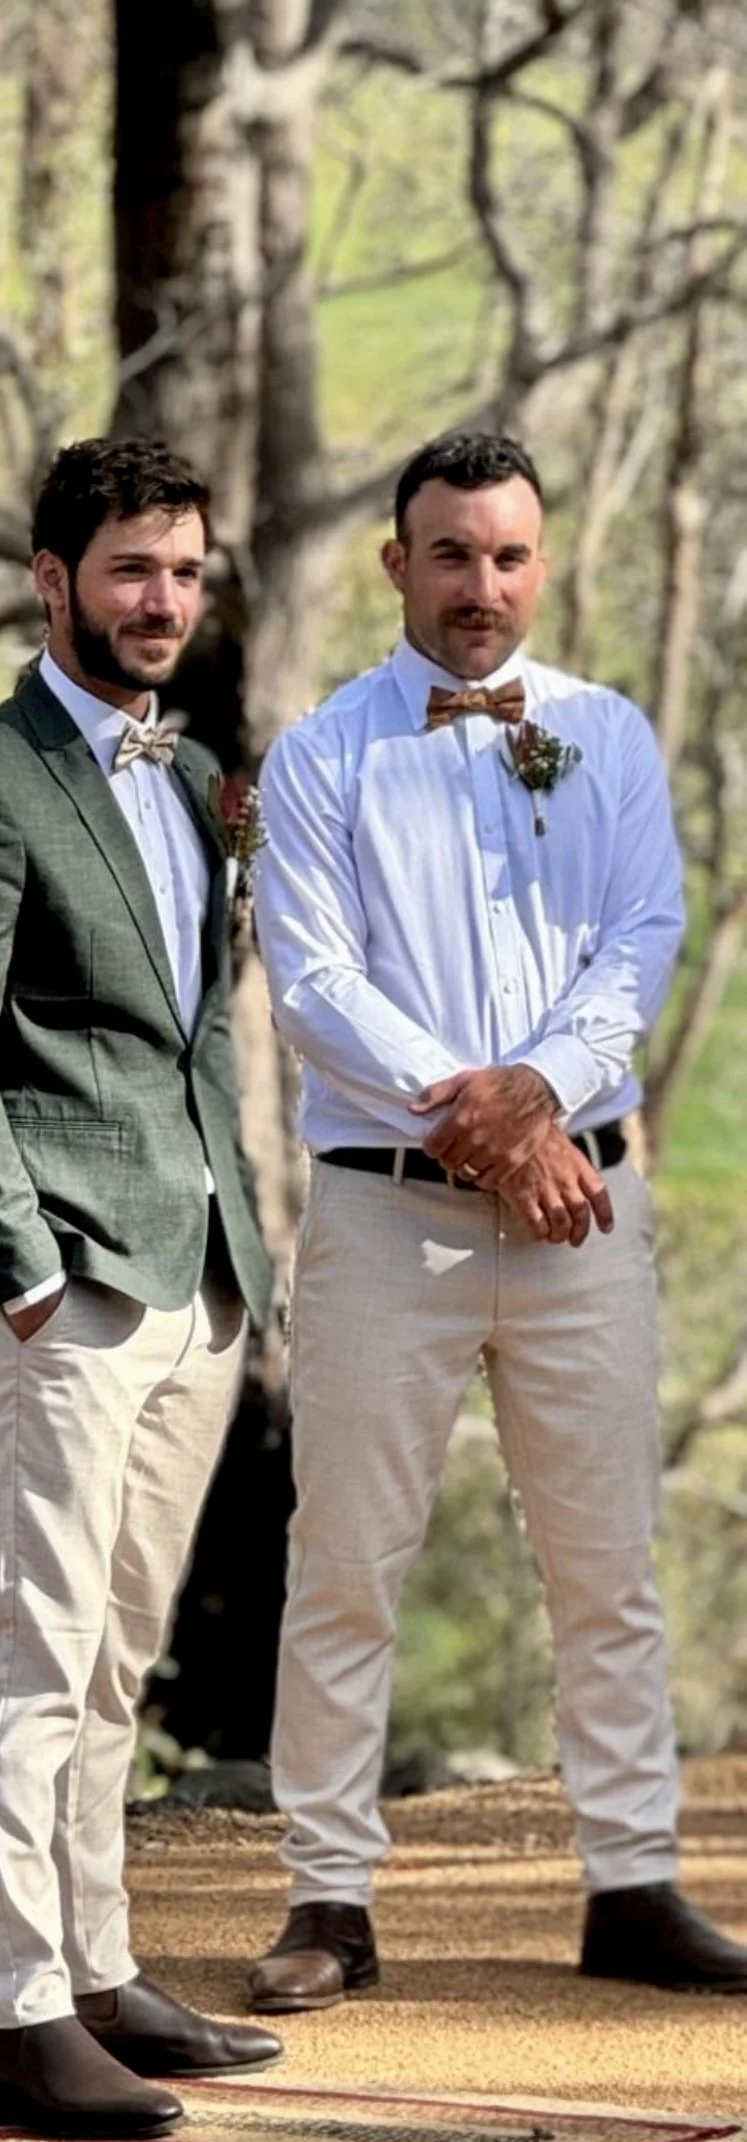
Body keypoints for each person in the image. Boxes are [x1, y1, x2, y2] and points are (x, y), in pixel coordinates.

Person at [247, 428, 747, 2012]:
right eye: (451, 554)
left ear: (541, 563)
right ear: (394, 563)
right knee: (345, 1561)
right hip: (383, 1218)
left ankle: (632, 1883)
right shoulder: (320, 756)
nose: (480, 585)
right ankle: (327, 1898)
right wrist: (478, 1120)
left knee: (606, 1564)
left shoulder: (606, 734)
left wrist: (537, 1096)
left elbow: (642, 934)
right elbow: (314, 985)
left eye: (507, 555)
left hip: (578, 1209)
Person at [0, 436, 280, 2137]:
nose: (161, 601)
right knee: (30, 1648)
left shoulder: (191, 782)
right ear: (51, 581)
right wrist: (25, 1264)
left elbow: (194, 1037)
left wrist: (235, 1253)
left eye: (183, 572)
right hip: (52, 1284)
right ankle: (16, 2016)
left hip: (190, 1274)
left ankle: (100, 1974)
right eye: (130, 570)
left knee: (117, 1648)